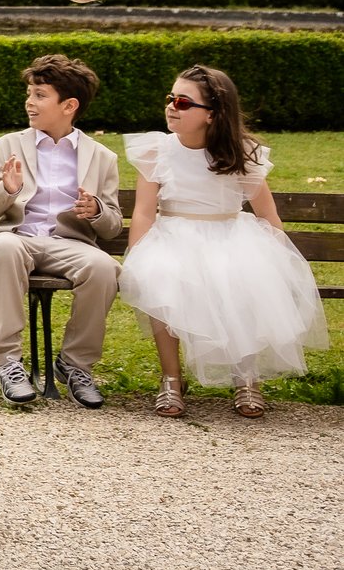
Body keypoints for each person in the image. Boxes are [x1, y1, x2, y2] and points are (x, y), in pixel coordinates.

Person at [118, 65, 328, 420]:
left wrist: (281, 259)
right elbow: (143, 212)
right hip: (173, 234)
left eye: (183, 102)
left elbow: (266, 213)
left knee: (241, 281)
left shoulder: (240, 154)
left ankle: (247, 377)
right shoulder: (157, 151)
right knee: (161, 276)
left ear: (212, 114)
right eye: (171, 98)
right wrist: (136, 255)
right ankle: (171, 376)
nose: (172, 106)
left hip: (230, 234)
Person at [0, 54, 122, 408]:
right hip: (17, 237)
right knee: (6, 248)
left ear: (69, 105)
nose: (29, 101)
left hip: (69, 243)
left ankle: (75, 365)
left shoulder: (102, 157)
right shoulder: (8, 146)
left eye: (40, 95)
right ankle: (8, 361)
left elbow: (113, 225)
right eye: (29, 93)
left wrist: (97, 210)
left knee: (103, 268)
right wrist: (7, 190)